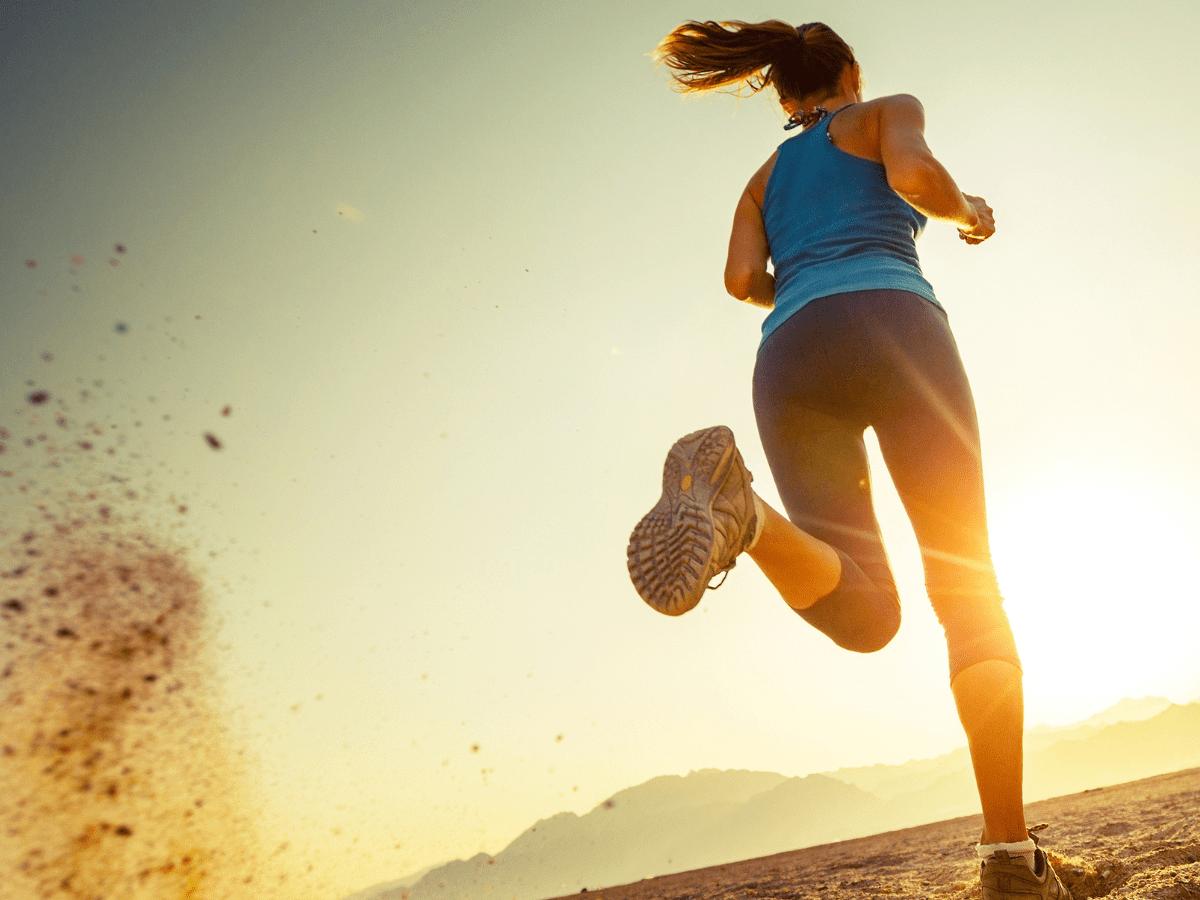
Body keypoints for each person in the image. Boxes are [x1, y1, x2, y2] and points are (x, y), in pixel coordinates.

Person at [626, 19, 1074, 900]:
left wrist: (797, 277)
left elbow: (739, 281)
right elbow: (914, 177)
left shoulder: (761, 179)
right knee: (966, 591)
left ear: (784, 96)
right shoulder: (881, 114)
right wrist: (968, 212)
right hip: (895, 324)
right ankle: (1009, 856)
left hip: (788, 356)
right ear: (849, 75)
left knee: (865, 615)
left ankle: (742, 516)